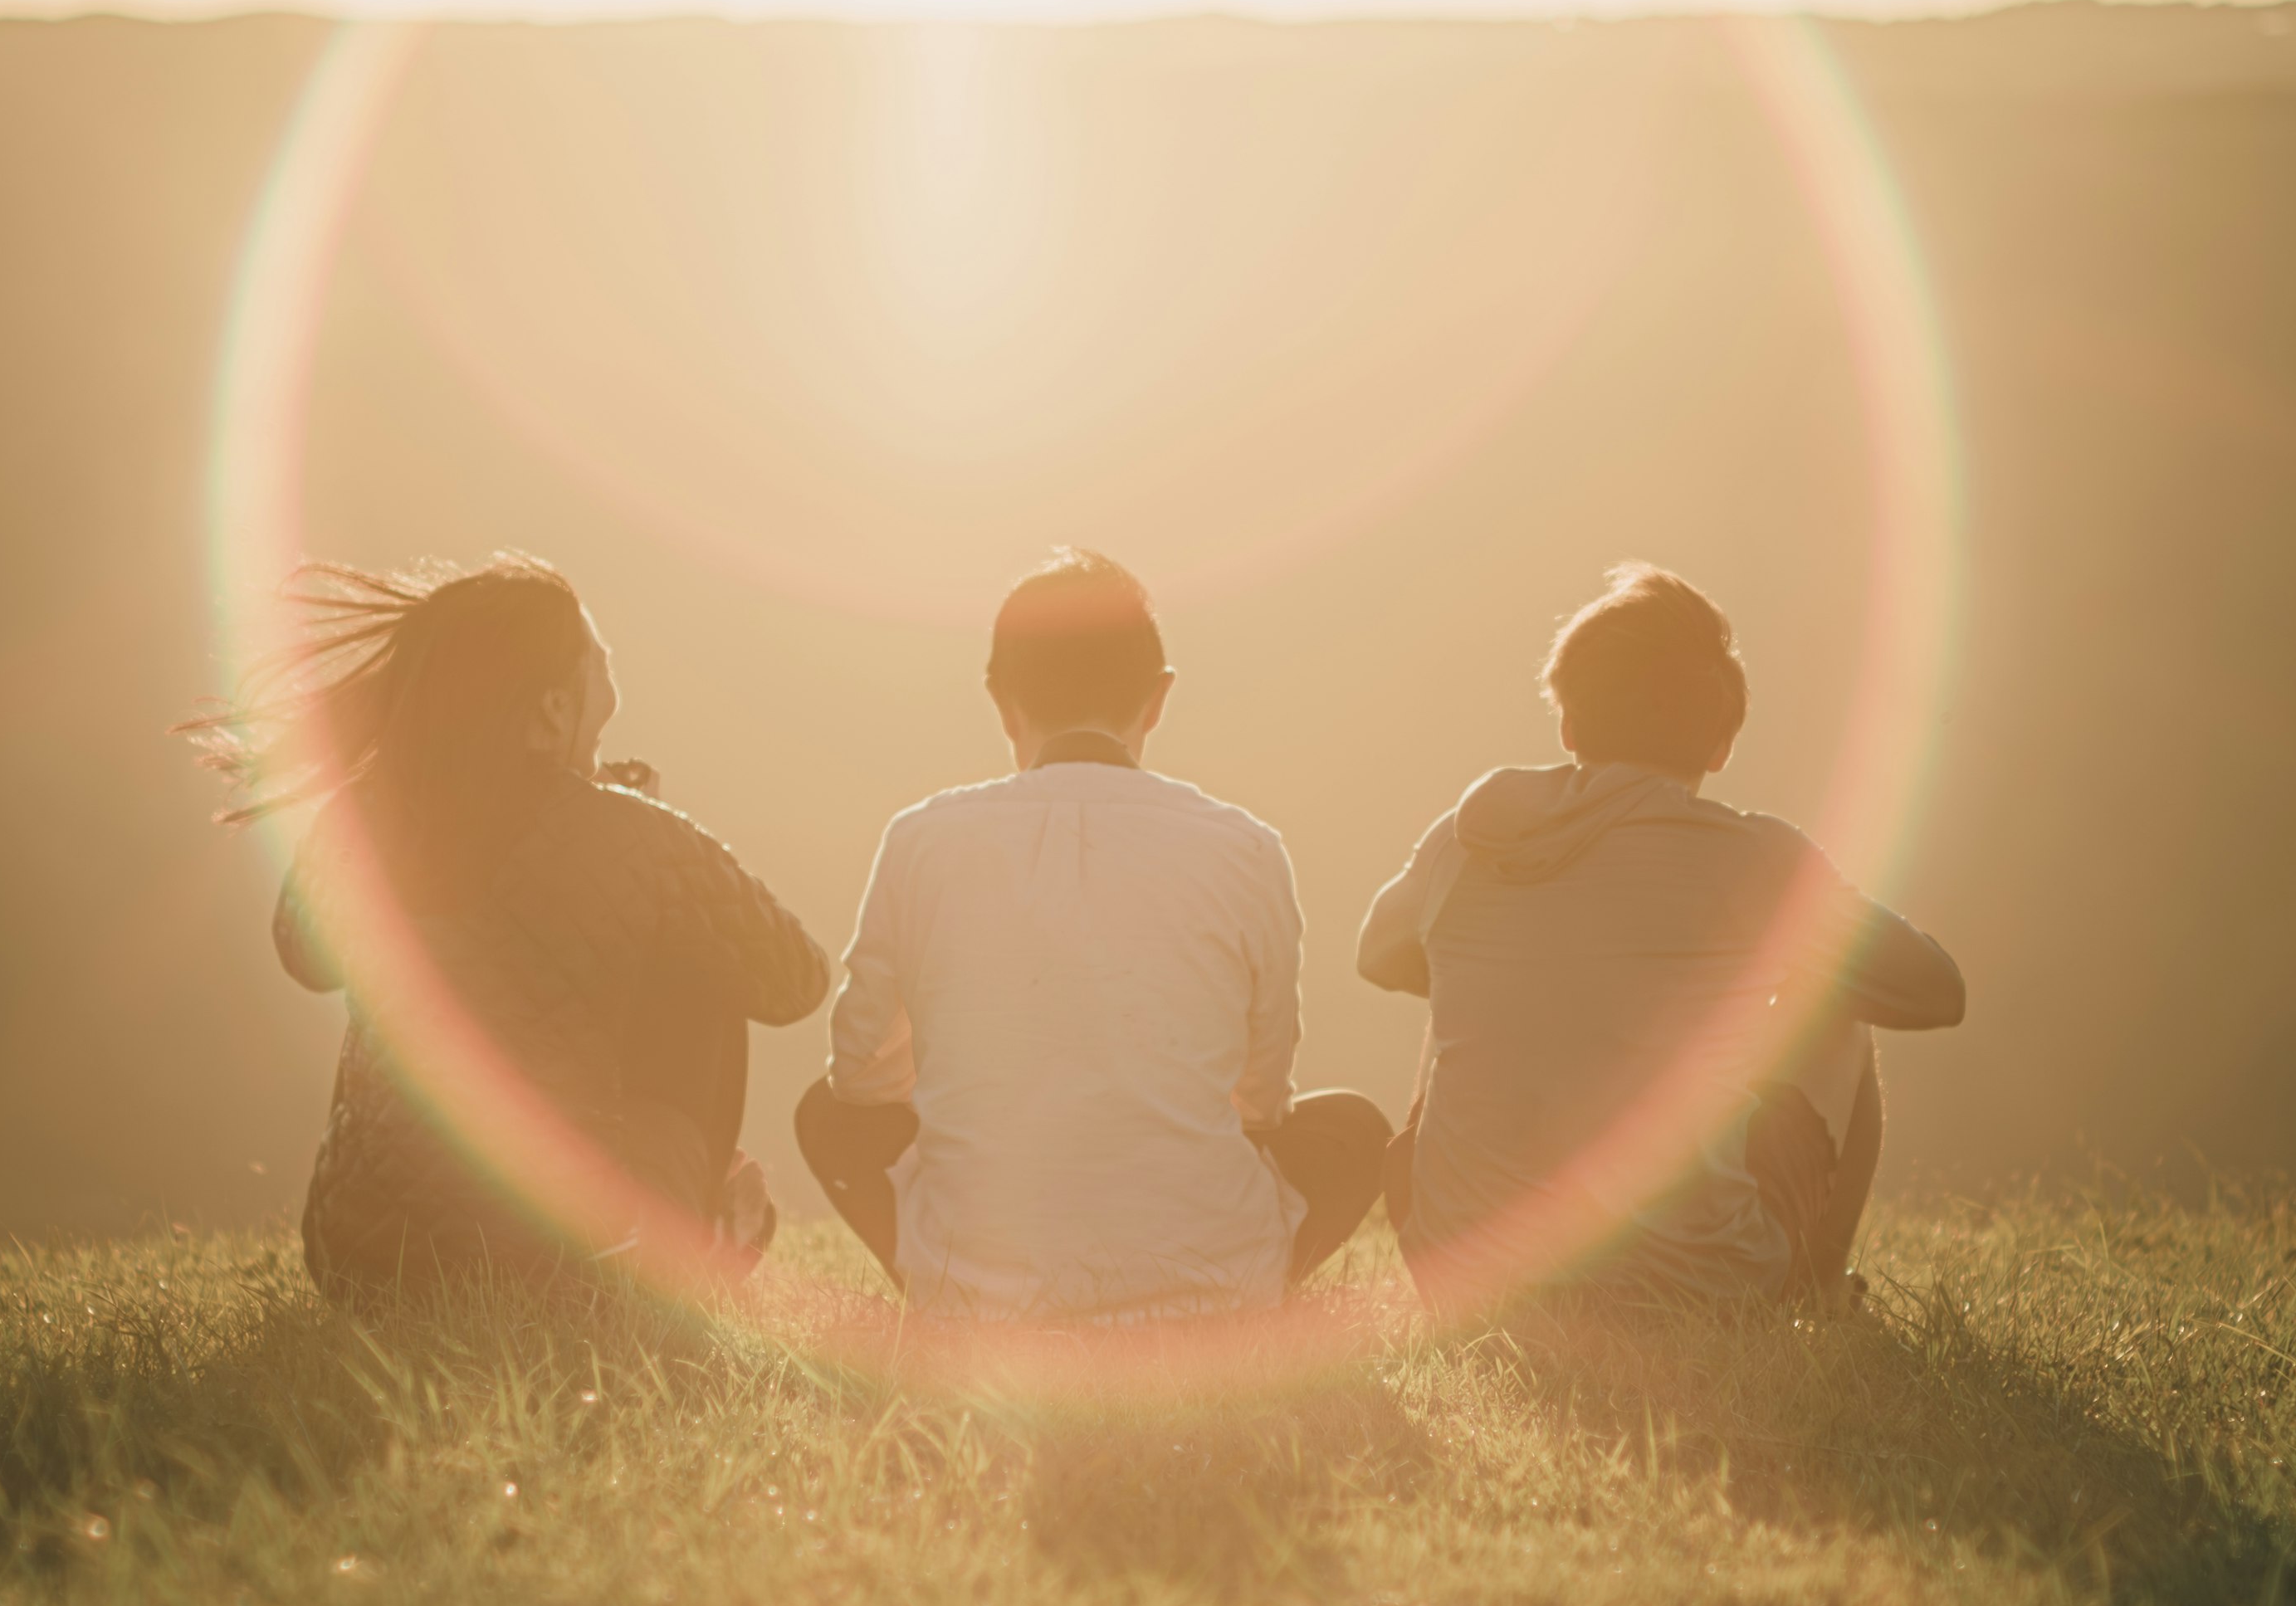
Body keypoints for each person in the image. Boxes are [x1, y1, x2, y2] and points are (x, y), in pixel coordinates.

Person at [183, 556, 828, 1303]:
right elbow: (796, 981)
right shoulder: (637, 836)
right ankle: (687, 1232)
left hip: (359, 1258)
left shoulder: (364, 819)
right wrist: (642, 863)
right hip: (552, 1261)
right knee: (706, 964)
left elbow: (304, 954)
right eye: (599, 667)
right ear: (554, 711)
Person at [796, 549, 1391, 1319]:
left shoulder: (921, 839)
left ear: (1000, 700)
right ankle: (1233, 1293)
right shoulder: (1247, 848)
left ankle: (957, 1291)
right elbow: (1263, 1097)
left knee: (828, 1114)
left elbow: (860, 1077)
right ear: (1158, 699)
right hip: (1212, 1279)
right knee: (1351, 1129)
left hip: (981, 1270)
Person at [1357, 563, 1963, 1316]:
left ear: (1569, 727)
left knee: (1458, 966)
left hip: (1464, 1277)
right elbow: (1936, 990)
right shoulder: (1753, 859)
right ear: (1721, 744)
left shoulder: (1468, 838)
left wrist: (1551, 982)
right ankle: (1815, 1295)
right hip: (1694, 1282)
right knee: (1842, 1004)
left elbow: (1376, 952)